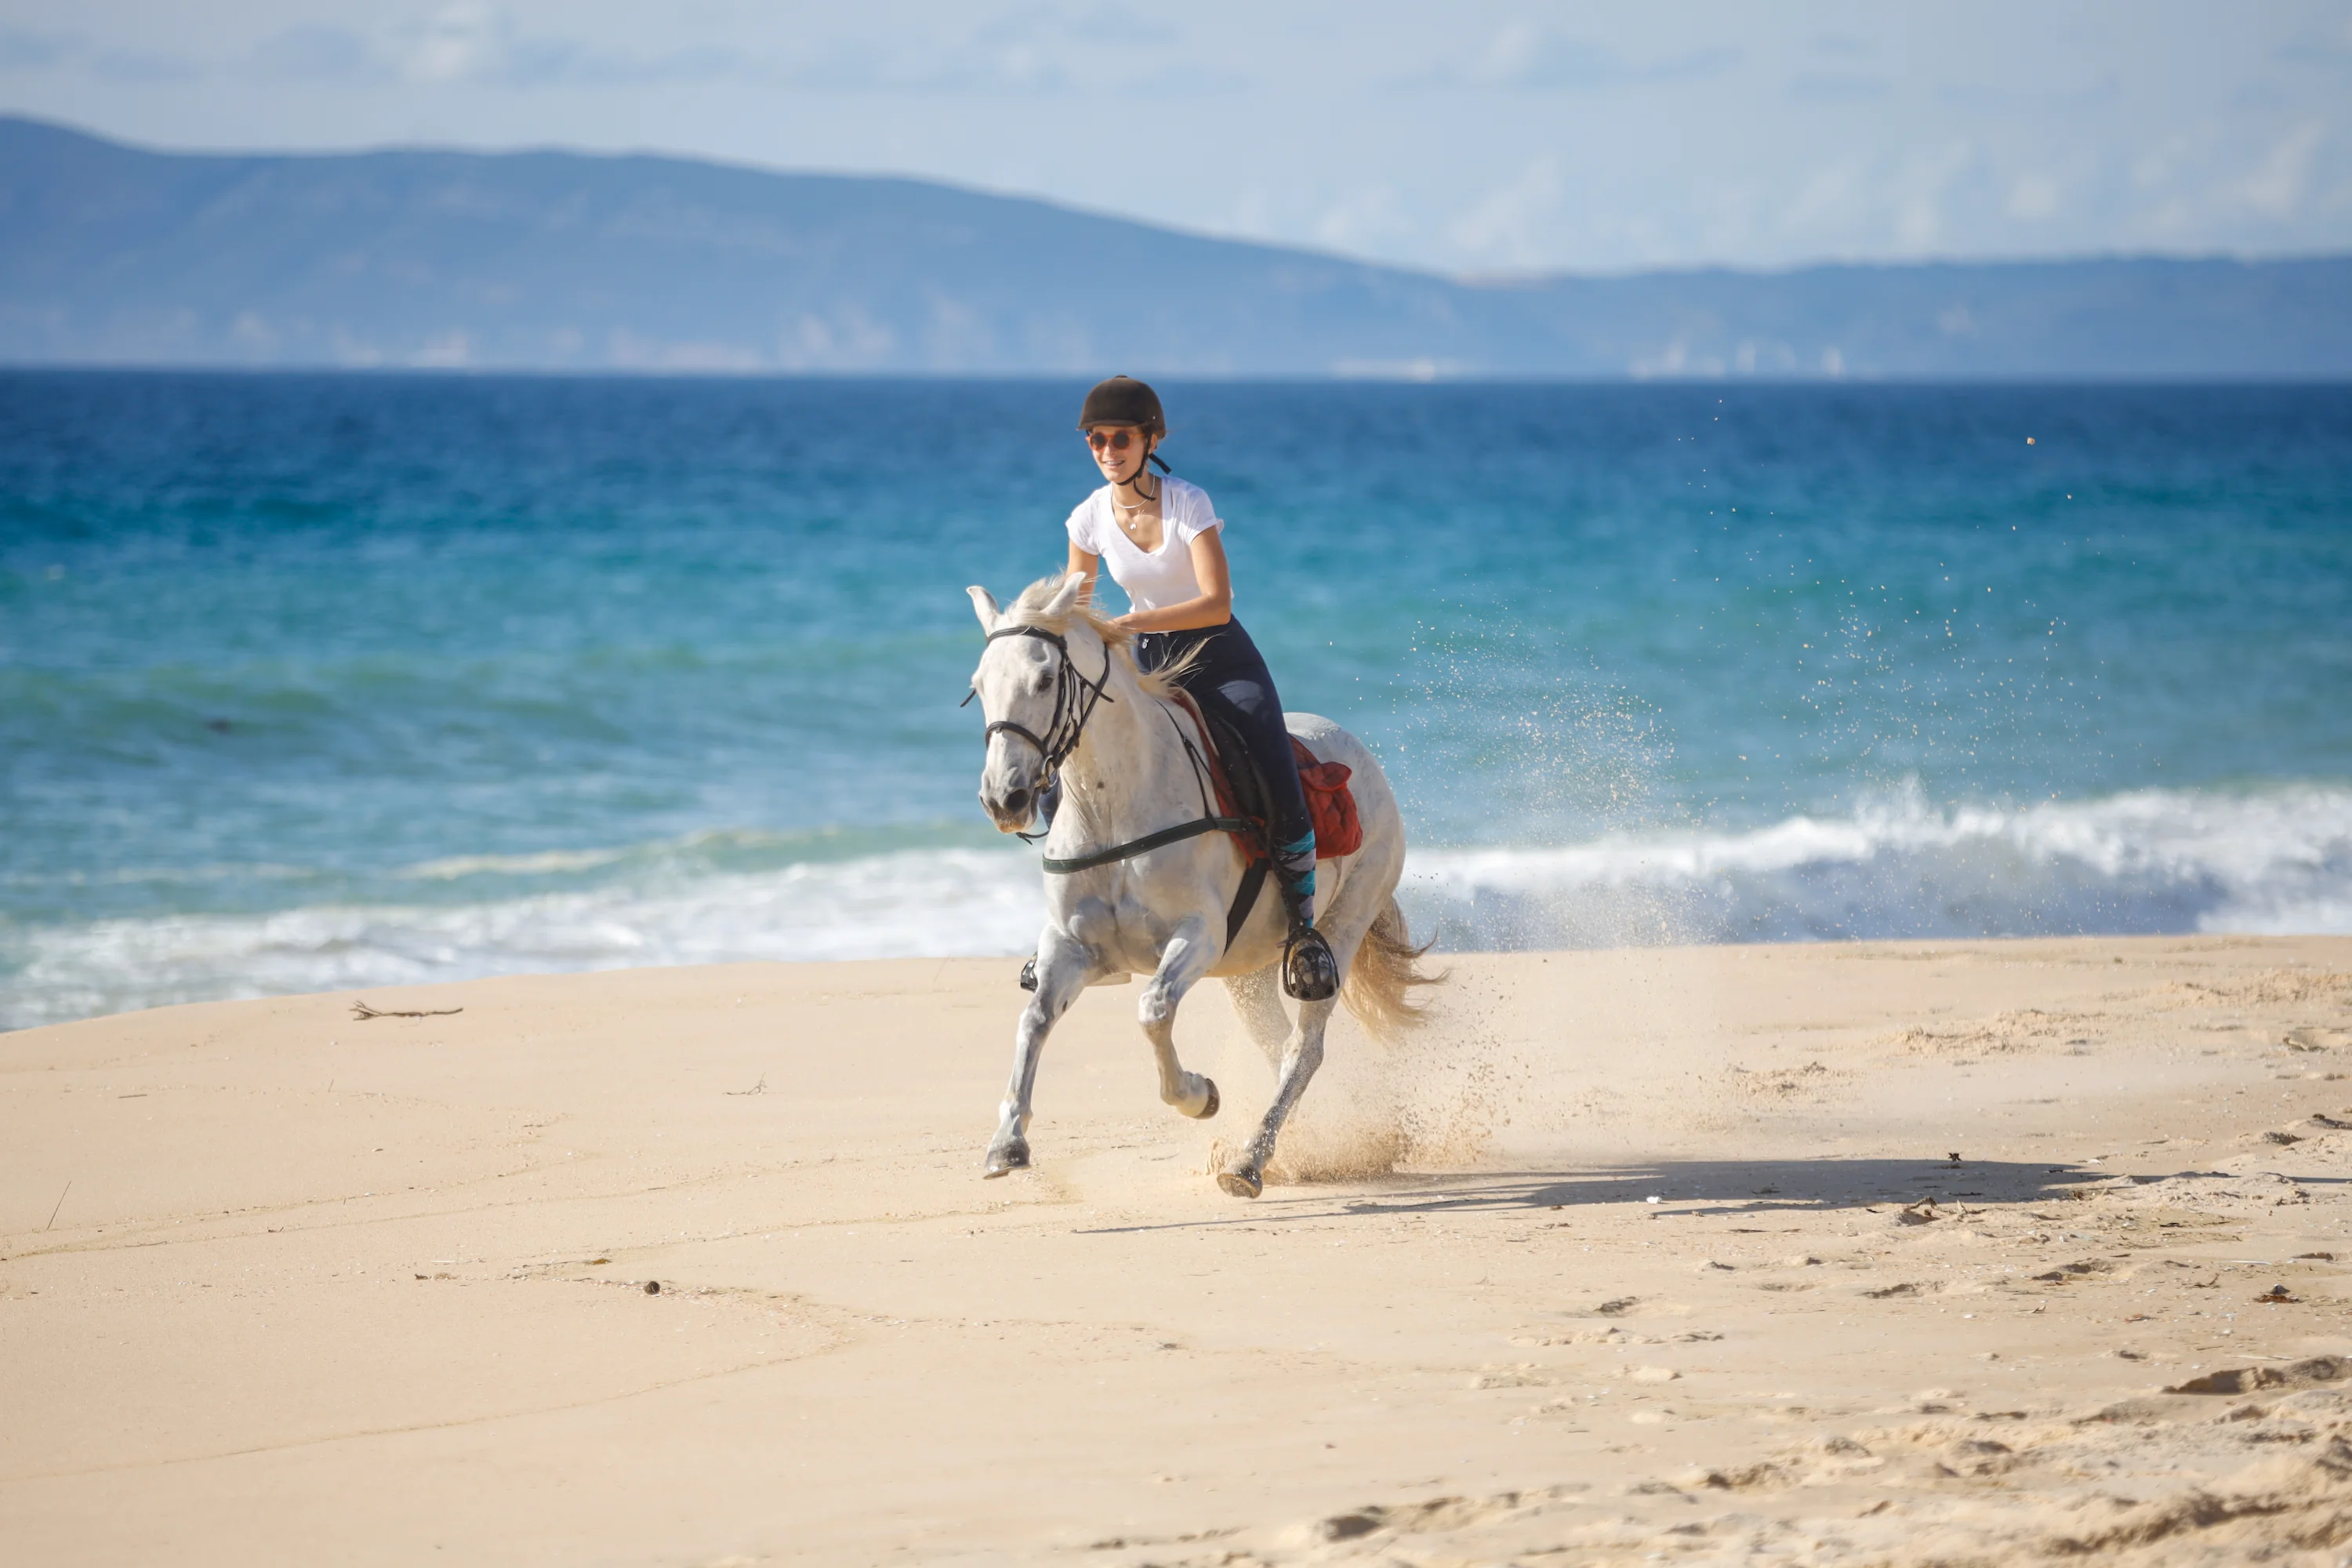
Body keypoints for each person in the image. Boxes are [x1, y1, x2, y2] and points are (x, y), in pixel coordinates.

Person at [1041, 375, 1338, 1002]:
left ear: (1151, 439)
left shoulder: (1188, 503)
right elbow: (1077, 605)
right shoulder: (1087, 517)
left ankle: (1303, 925)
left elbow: (1216, 603)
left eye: (1119, 437)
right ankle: (1070, 922)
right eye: (1096, 439)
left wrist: (1132, 621)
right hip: (1146, 659)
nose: (1106, 449)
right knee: (1068, 755)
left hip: (1220, 654)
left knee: (1267, 750)